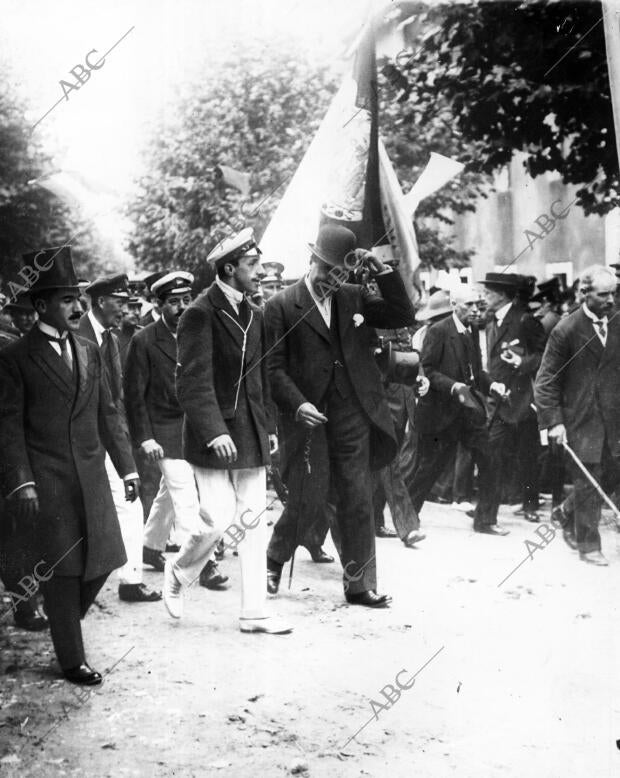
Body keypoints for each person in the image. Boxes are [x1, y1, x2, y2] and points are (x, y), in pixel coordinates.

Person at [0, 246, 137, 684]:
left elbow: (107, 412)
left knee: (106, 559)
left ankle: (63, 621)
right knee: (64, 569)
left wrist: (128, 467)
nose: (78, 307)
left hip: (92, 475)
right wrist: (22, 483)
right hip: (48, 479)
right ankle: (71, 657)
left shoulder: (88, 350)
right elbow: (9, 427)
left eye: (78, 299)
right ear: (40, 305)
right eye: (66, 300)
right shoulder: (16, 357)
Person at [264, 224, 415, 608]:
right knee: (308, 499)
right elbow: (273, 368)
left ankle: (358, 584)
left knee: (357, 495)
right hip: (309, 415)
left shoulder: (353, 297)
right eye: (325, 271)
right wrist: (297, 404)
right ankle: (274, 557)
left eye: (339, 274)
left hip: (353, 411)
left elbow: (401, 313)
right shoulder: (281, 305)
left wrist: (379, 269)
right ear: (311, 260)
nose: (331, 280)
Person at [167, 228, 291, 634]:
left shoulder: (255, 312)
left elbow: (260, 379)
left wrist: (268, 425)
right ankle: (179, 573)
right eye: (252, 265)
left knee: (253, 520)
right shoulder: (200, 313)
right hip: (213, 436)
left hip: (250, 432)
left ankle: (254, 612)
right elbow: (191, 383)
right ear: (229, 268)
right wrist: (214, 431)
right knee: (218, 521)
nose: (258, 272)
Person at [124, 271, 227, 589]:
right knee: (186, 497)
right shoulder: (144, 340)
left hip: (195, 429)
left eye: (186, 300)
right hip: (165, 433)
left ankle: (150, 546)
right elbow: (134, 395)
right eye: (173, 302)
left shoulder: (200, 333)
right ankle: (205, 563)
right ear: (157, 304)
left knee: (168, 496)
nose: (182, 307)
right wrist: (145, 437)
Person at [79, 275, 160, 603]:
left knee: (129, 502)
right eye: (120, 302)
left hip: (108, 440)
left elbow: (115, 398)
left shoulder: (108, 339)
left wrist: (128, 439)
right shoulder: (77, 334)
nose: (126, 309)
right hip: (77, 444)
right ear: (100, 302)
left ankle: (130, 580)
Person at [406, 284, 509, 534]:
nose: (475, 310)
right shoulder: (438, 331)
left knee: (490, 459)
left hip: (468, 413)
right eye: (469, 305)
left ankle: (485, 521)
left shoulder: (471, 330)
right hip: (441, 413)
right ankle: (406, 519)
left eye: (478, 304)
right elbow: (428, 370)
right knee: (430, 469)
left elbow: (475, 370)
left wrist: (492, 384)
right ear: (455, 306)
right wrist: (453, 387)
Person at [535, 265, 620, 566]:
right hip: (580, 420)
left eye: (614, 293)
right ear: (585, 293)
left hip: (614, 420)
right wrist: (554, 422)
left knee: (612, 474)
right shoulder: (566, 329)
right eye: (604, 294)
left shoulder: (618, 320)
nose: (611, 300)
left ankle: (566, 511)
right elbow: (545, 381)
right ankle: (589, 545)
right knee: (588, 481)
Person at [482, 272, 546, 522]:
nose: (484, 297)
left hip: (522, 401)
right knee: (492, 452)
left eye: (488, 292)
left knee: (526, 454)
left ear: (501, 295)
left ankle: (530, 505)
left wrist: (522, 362)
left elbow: (545, 355)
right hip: (497, 399)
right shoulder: (492, 322)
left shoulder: (525, 320)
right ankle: (488, 508)